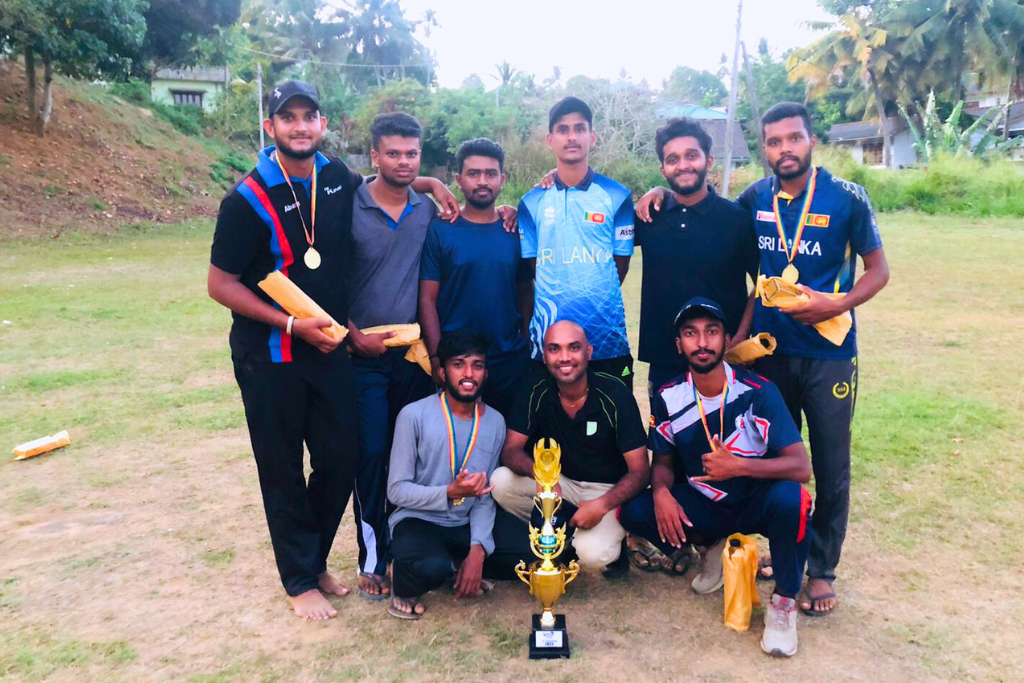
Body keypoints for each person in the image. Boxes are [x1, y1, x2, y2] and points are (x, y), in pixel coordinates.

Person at [207, 80, 361, 620]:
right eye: (288, 117)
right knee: (282, 468)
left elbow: (383, 189)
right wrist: (291, 324)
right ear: (269, 126)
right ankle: (299, 580)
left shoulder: (337, 178)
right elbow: (220, 284)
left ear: (323, 124)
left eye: (308, 116)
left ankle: (312, 560)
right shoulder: (245, 199)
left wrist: (432, 182)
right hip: (270, 356)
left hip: (329, 349)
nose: (300, 126)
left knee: (341, 458)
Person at [736, 102, 889, 616]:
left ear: (811, 141)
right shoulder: (755, 197)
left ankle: (821, 570)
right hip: (770, 353)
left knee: (829, 463)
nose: (785, 149)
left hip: (829, 355)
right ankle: (787, 553)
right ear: (764, 148)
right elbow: (710, 218)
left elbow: (878, 271)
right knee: (778, 460)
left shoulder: (847, 197)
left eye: (794, 138)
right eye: (774, 141)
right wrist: (661, 194)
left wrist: (837, 304)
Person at [619, 297, 813, 657]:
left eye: (711, 332)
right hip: (707, 504)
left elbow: (801, 467)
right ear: (679, 345)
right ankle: (710, 546)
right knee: (634, 510)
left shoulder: (758, 391)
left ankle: (784, 602)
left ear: (726, 339)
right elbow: (662, 461)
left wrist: (738, 466)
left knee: (794, 500)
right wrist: (660, 492)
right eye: (690, 334)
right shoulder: (668, 395)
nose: (702, 342)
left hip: (757, 500)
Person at [343, 112, 458, 601]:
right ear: (375, 156)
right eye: (393, 153)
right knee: (371, 453)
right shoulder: (348, 205)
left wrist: (433, 185)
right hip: (363, 354)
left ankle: (409, 547)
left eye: (412, 154)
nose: (403, 162)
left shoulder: (425, 210)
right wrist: (351, 336)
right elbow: (326, 281)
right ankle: (372, 556)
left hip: (412, 356)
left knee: (411, 455)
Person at [491, 320, 649, 579]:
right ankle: (560, 534)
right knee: (500, 482)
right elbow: (511, 450)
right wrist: (542, 476)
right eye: (555, 349)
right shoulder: (535, 388)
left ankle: (609, 542)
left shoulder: (614, 394)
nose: (564, 357)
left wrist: (601, 505)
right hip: (561, 482)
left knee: (593, 553)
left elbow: (641, 471)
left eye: (573, 347)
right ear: (544, 355)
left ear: (589, 352)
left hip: (606, 490)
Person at [517, 97, 636, 389]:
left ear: (592, 137)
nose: (571, 137)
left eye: (579, 128)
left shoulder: (617, 196)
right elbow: (534, 268)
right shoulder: (531, 202)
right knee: (547, 418)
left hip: (606, 339)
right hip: (548, 340)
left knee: (614, 415)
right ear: (550, 140)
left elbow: (619, 266)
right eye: (563, 129)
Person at [386, 331, 506, 619]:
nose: (469, 374)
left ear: (486, 374)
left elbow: (485, 498)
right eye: (458, 364)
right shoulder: (413, 415)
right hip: (418, 520)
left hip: (463, 523)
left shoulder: (495, 422)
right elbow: (396, 491)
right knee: (432, 568)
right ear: (442, 372)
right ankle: (402, 578)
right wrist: (449, 493)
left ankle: (461, 563)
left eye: (477, 365)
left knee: (529, 552)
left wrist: (478, 549)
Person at [419, 138, 532, 418]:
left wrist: (527, 342)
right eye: (473, 173)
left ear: (502, 179)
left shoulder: (515, 230)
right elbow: (427, 299)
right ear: (459, 180)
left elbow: (525, 291)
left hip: (508, 360)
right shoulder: (441, 230)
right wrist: (437, 357)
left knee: (509, 439)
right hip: (457, 362)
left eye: (490, 173)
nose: (482, 181)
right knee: (457, 440)